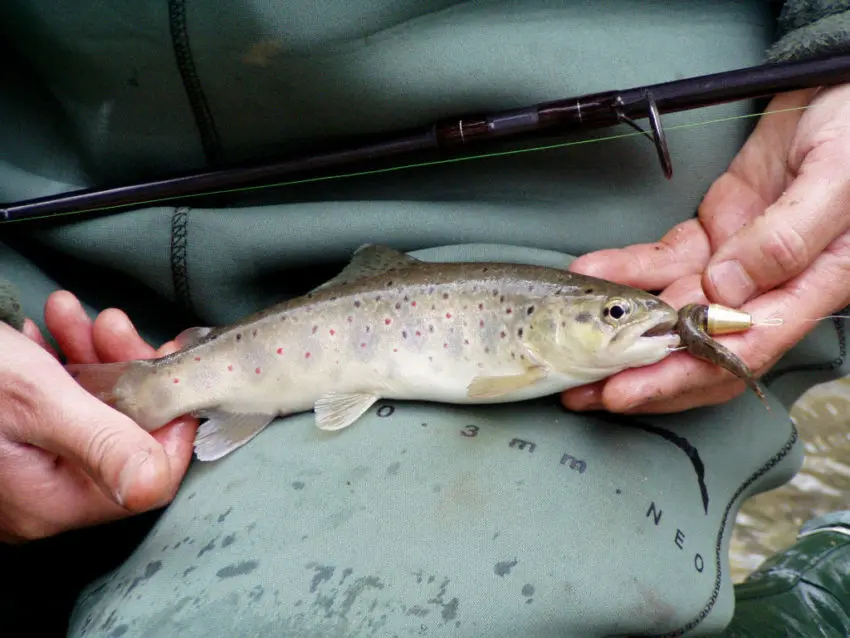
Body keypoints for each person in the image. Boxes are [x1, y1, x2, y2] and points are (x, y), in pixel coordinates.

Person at [1, 1, 848, 635]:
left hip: (638, 224)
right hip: (35, 246)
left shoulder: (620, 305)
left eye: (621, 319)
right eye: (619, 317)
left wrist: (838, 48)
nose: (645, 323)